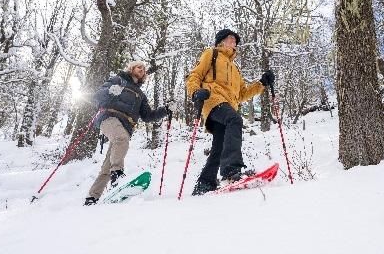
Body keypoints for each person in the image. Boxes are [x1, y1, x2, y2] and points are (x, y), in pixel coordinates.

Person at [186, 29, 275, 195]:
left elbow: (242, 94)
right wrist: (194, 92)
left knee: (219, 146)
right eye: (231, 39)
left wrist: (261, 83)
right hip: (213, 99)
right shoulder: (211, 54)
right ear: (221, 41)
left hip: (229, 105)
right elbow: (195, 75)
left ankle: (205, 183)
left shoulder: (235, 68)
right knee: (235, 120)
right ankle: (231, 171)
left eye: (235, 40)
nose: (234, 42)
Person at [84, 61, 177, 205]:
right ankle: (118, 176)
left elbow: (147, 116)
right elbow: (97, 96)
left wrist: (165, 110)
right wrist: (110, 91)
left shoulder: (140, 95)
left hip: (126, 126)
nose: (142, 69)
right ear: (131, 68)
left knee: (108, 164)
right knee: (121, 139)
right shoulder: (118, 80)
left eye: (144, 69)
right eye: (139, 67)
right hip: (109, 117)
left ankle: (92, 197)